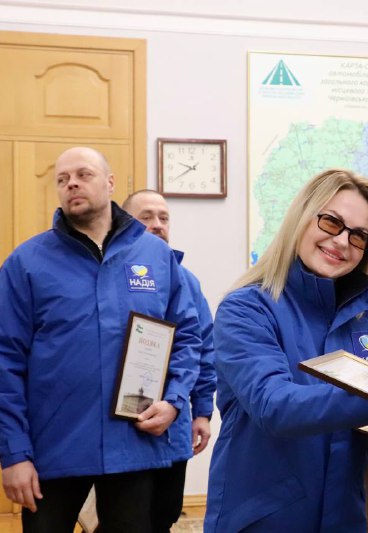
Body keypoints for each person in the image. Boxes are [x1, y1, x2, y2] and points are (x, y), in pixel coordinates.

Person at [0, 147, 201, 532]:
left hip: (133, 447)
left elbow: (186, 337)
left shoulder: (156, 256)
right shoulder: (26, 262)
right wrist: (15, 455)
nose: (72, 184)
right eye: (62, 179)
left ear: (110, 183)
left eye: (83, 174)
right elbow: (2, 363)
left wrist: (174, 401)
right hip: (54, 451)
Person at [205, 168, 368, 532]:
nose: (342, 241)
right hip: (263, 519)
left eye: (359, 236)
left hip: (345, 519)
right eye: (331, 222)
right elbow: (274, 405)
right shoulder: (247, 309)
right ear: (302, 218)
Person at [122, 189, 217, 533]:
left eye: (164, 218)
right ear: (124, 222)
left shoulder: (186, 280)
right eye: (146, 217)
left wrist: (202, 411)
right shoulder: (110, 274)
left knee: (165, 514)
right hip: (121, 427)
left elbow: (204, 347)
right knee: (124, 519)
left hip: (172, 425)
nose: (158, 224)